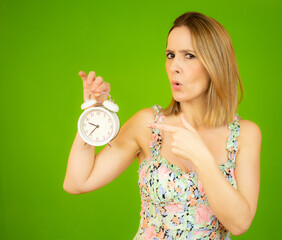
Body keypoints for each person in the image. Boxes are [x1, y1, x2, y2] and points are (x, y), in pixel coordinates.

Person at [63, 11, 261, 239]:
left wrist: (200, 156)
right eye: (170, 55)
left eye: (189, 56)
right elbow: (77, 182)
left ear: (214, 63)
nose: (175, 66)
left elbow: (239, 224)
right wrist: (93, 113)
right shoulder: (149, 125)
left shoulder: (245, 134)